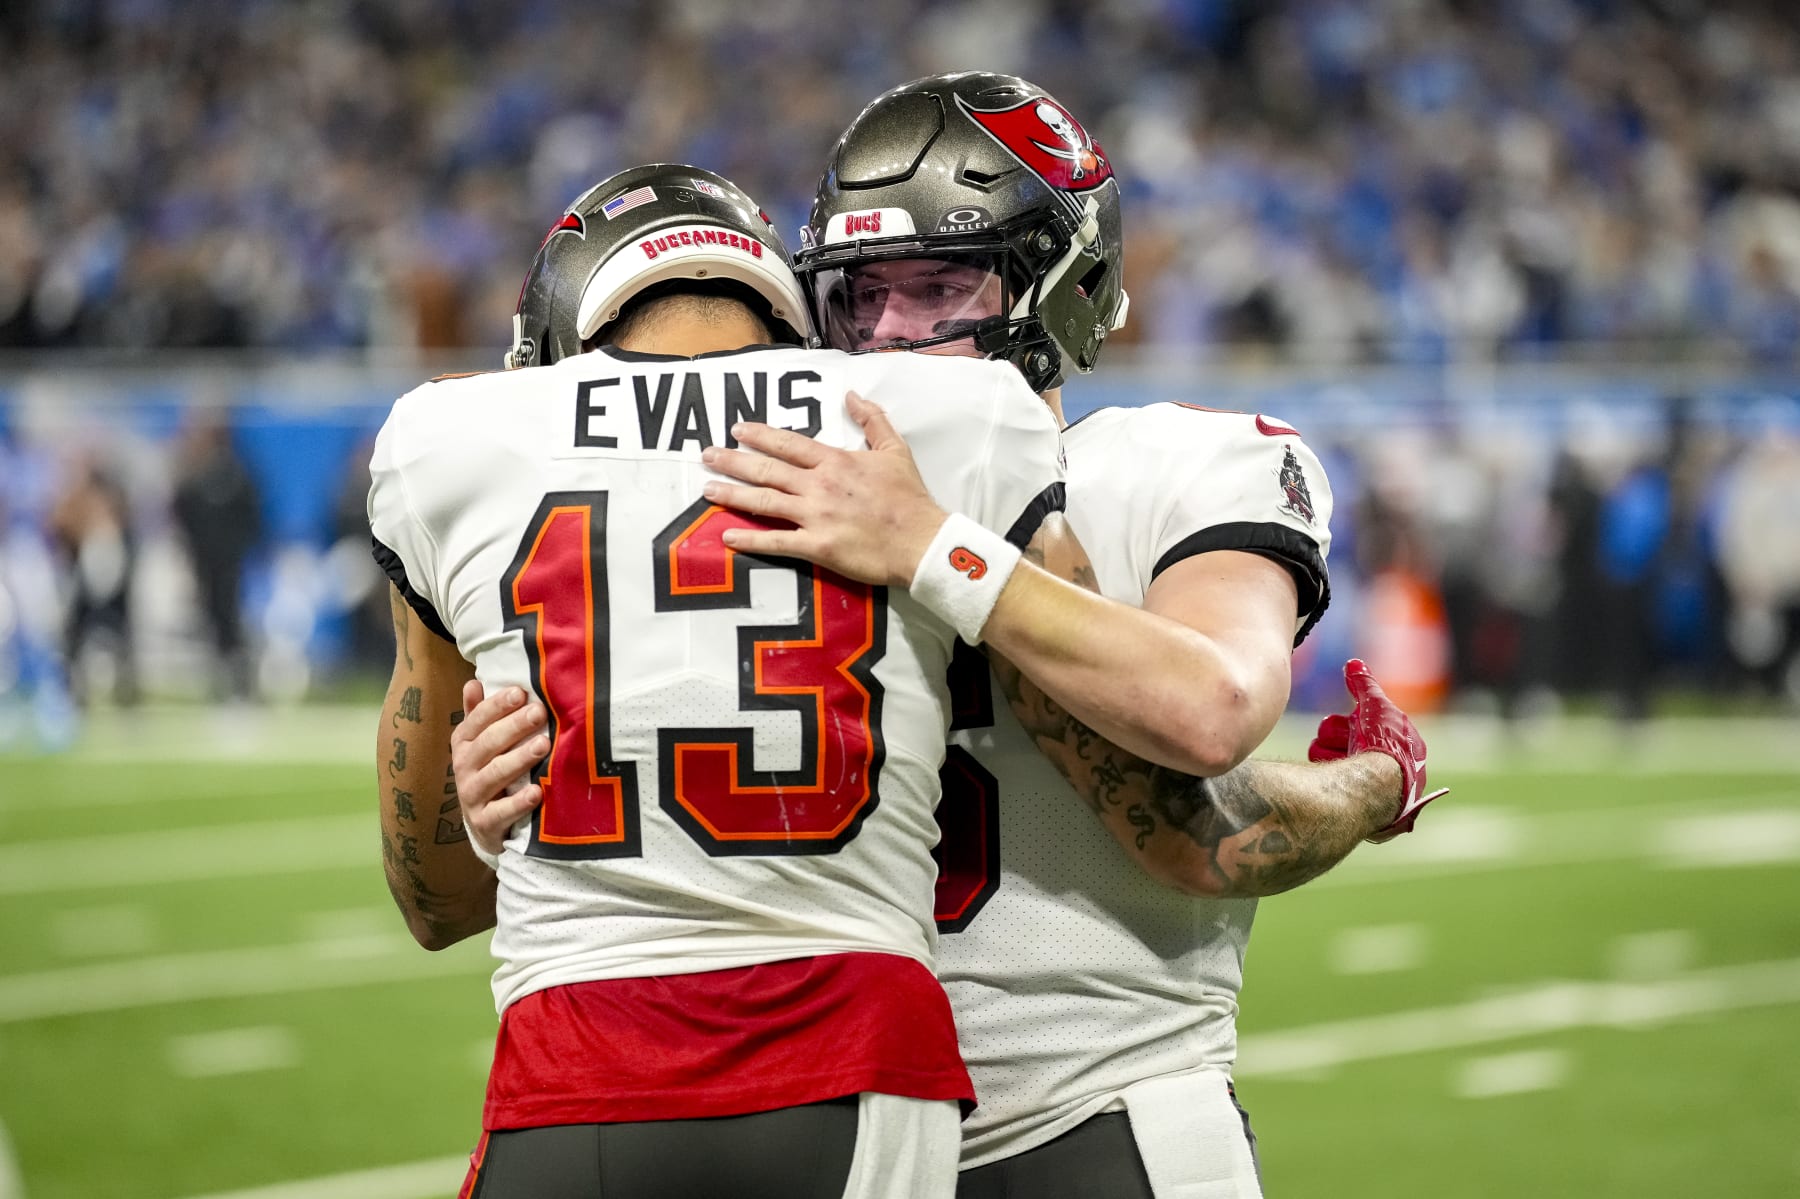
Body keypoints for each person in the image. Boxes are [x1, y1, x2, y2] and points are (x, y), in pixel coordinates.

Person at [451, 76, 1446, 1199]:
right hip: (842, 1124)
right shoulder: (778, 495)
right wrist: (503, 789)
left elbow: (1211, 710)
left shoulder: (1178, 463)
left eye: (936, 288)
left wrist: (935, 545)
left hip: (1100, 1105)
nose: (887, 336)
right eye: (857, 297)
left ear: (1064, 284)